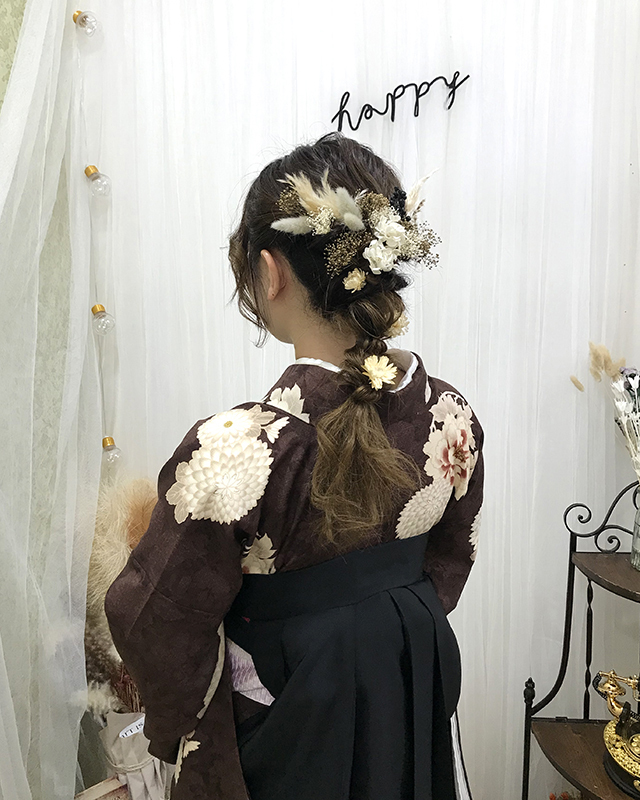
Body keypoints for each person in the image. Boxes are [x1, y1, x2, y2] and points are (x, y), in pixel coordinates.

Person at [105, 133, 484, 800]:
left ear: (270, 271)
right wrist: (380, 633)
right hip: (405, 685)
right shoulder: (450, 416)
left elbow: (153, 616)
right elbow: (449, 563)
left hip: (287, 722)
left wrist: (193, 723)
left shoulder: (238, 448)